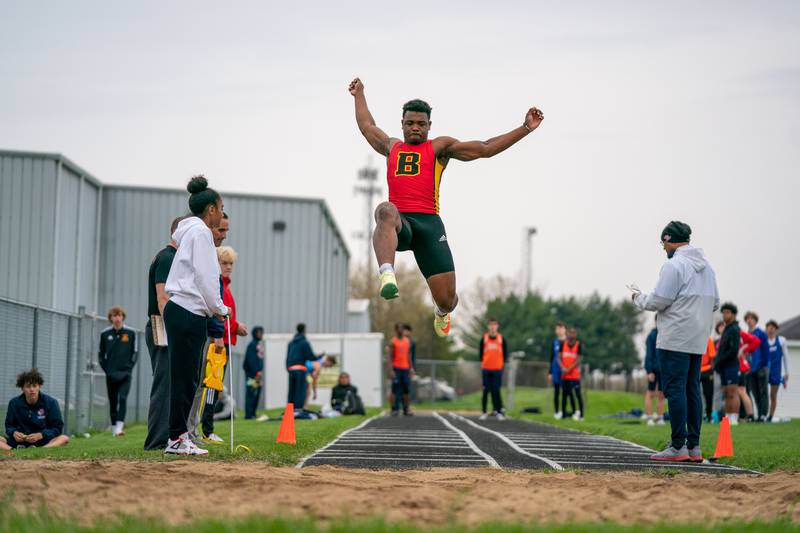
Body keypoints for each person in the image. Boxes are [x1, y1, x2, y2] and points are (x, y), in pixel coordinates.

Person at [349, 77, 544, 337]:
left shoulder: (440, 147)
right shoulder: (391, 146)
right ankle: (387, 274)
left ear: (429, 126)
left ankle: (441, 312)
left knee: (447, 299)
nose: (415, 128)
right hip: (401, 224)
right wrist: (359, 94)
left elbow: (485, 148)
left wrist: (525, 128)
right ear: (402, 124)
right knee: (385, 210)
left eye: (421, 124)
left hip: (429, 226)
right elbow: (367, 126)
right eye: (410, 123)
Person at [632, 221, 719, 462]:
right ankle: (694, 447)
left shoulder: (674, 265)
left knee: (675, 390)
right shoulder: (708, 268)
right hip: (699, 336)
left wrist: (637, 298)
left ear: (670, 240)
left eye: (664, 243)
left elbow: (658, 300)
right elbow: (715, 303)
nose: (663, 248)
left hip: (675, 338)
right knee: (693, 389)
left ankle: (678, 445)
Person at [163, 176, 228, 456]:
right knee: (186, 379)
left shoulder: (189, 231)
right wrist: (220, 309)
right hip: (188, 311)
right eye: (220, 207)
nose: (221, 213)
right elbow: (205, 277)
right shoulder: (201, 232)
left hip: (182, 310)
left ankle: (178, 436)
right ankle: (177, 439)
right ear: (211, 209)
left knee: (184, 378)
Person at [193, 245, 248, 444]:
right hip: (217, 342)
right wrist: (231, 329)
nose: (228, 266)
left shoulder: (225, 287)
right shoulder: (217, 285)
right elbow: (217, 315)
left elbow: (225, 316)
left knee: (214, 386)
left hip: (225, 340)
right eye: (224, 263)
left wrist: (235, 326)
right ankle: (207, 429)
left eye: (231, 263)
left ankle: (205, 428)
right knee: (211, 385)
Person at [144, 215, 185, 450]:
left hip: (164, 327)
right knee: (164, 385)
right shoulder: (168, 258)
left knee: (170, 385)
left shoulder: (172, 258)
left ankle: (169, 437)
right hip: (162, 327)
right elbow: (163, 298)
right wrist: (175, 329)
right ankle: (157, 442)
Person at [3, 369, 70, 450]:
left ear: (39, 386)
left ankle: (41, 450)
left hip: (43, 441)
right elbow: (9, 426)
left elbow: (57, 428)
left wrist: (41, 435)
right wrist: (14, 433)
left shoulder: (51, 402)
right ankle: (13, 450)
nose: (32, 389)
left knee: (64, 438)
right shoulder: (14, 403)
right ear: (22, 388)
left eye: (34, 386)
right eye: (28, 386)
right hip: (19, 442)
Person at [98, 306, 138, 437]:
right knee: (113, 401)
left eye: (119, 315)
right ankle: (114, 427)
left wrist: (129, 368)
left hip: (125, 374)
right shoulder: (105, 334)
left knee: (123, 398)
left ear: (123, 317)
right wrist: (107, 370)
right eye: (114, 316)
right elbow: (100, 355)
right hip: (111, 375)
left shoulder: (131, 333)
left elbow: (135, 353)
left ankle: (120, 428)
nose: (117, 318)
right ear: (110, 318)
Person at [716, 303, 742, 425]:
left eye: (727, 312)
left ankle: (734, 418)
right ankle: (727, 417)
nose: (725, 314)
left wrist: (720, 360)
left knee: (733, 392)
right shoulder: (726, 328)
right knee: (726, 392)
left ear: (733, 314)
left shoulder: (735, 329)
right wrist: (718, 363)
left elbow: (733, 350)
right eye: (723, 312)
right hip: (724, 366)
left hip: (731, 365)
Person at [478, 318, 509, 420]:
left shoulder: (501, 339)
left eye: (494, 324)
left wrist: (501, 366)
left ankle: (498, 411)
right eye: (490, 324)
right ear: (488, 326)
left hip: (497, 369)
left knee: (496, 390)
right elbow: (481, 354)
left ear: (497, 326)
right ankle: (484, 412)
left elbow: (505, 354)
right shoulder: (484, 338)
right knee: (486, 390)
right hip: (486, 368)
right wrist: (483, 364)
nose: (492, 326)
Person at [286, 323, 318, 416]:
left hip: (291, 369)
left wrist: (288, 368)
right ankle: (298, 411)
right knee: (300, 391)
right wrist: (317, 357)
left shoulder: (291, 343)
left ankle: (289, 411)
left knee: (291, 390)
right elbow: (310, 356)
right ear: (304, 330)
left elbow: (287, 357)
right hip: (300, 369)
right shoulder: (305, 342)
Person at [744, 311, 770, 421]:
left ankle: (763, 415)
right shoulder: (746, 334)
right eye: (747, 319)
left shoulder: (761, 333)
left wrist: (764, 366)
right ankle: (757, 415)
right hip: (750, 368)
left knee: (763, 392)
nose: (749, 320)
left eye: (751, 318)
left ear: (755, 320)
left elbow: (766, 350)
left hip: (761, 367)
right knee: (754, 393)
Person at [388, 323, 415, 416]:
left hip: (405, 368)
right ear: (396, 330)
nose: (400, 330)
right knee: (395, 390)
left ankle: (406, 409)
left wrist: (411, 368)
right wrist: (391, 370)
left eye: (402, 329)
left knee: (406, 390)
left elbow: (409, 355)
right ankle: (394, 409)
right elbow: (390, 356)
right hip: (396, 368)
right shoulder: (393, 341)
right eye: (399, 329)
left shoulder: (407, 341)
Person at [765, 320, 790, 422]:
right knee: (763, 395)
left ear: (776, 329)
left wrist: (787, 372)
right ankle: (763, 415)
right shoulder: (764, 340)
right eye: (768, 327)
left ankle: (770, 416)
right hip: (765, 371)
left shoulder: (781, 340)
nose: (770, 330)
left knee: (773, 395)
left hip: (776, 372)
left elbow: (786, 357)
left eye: (772, 328)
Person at [559, 326, 585, 421]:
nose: (572, 335)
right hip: (565, 374)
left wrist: (569, 368)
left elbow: (579, 359)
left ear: (576, 334)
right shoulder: (563, 344)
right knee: (565, 395)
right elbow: (559, 357)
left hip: (574, 375)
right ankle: (563, 415)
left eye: (574, 333)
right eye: (570, 333)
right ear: (567, 334)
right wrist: (562, 367)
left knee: (578, 395)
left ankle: (581, 415)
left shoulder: (578, 345)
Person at [643, 327, 665, 426]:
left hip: (663, 369)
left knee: (662, 394)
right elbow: (649, 354)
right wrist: (649, 371)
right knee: (650, 393)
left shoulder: (667, 333)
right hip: (653, 369)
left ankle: (660, 417)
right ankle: (649, 417)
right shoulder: (652, 335)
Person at [243, 326, 265, 420]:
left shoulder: (258, 344)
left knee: (256, 392)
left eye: (261, 332)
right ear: (255, 333)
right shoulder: (252, 345)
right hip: (252, 374)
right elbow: (250, 360)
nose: (261, 334)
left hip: (257, 374)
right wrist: (256, 372)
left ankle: (253, 413)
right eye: (259, 333)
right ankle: (248, 414)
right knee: (251, 393)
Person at [550, 322, 571, 419]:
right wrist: (550, 372)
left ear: (565, 330)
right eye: (557, 329)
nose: (559, 330)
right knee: (557, 391)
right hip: (556, 370)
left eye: (561, 328)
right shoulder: (555, 342)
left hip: (566, 370)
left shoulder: (569, 342)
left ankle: (565, 411)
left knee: (566, 391)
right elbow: (551, 357)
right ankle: (556, 412)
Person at [699, 336, 716, 422]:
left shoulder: (708, 339)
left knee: (708, 394)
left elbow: (712, 356)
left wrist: (711, 371)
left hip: (707, 370)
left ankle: (709, 415)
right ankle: (695, 415)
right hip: (695, 370)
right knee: (693, 394)